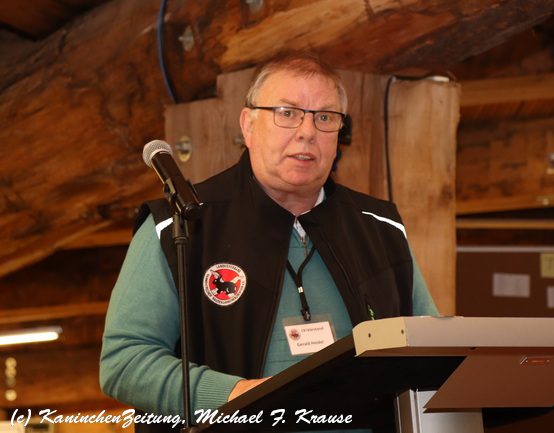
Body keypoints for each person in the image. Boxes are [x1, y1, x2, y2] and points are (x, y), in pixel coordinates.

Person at [99, 51, 438, 431]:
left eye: (325, 117)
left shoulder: (381, 228)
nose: (307, 132)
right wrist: (235, 395)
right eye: (287, 113)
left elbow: (433, 349)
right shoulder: (179, 224)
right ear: (248, 125)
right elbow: (125, 362)